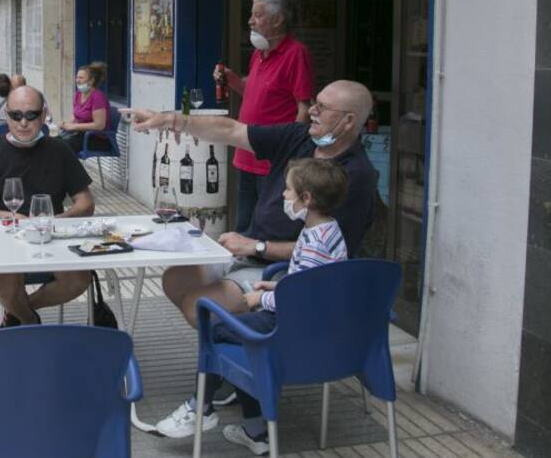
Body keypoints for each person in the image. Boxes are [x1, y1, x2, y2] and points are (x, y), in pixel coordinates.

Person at [122, 79, 377, 328]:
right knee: (174, 279)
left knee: (197, 306)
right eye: (314, 102)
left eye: (322, 107)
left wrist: (256, 247)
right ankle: (233, 337)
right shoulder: (300, 136)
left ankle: (254, 342)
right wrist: (168, 120)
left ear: (348, 120)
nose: (312, 110)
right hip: (251, 252)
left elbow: (328, 250)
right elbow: (232, 130)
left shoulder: (356, 175)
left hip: (285, 269)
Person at [154, 158, 349, 451]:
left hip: (292, 326)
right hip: (313, 322)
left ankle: (200, 408)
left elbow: (301, 298)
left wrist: (261, 298)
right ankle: (255, 432)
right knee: (242, 339)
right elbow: (312, 283)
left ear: (306, 198)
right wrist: (278, 286)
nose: (284, 195)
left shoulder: (313, 242)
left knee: (217, 331)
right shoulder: (328, 230)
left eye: (288, 190)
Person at [0, 86, 95, 326]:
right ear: (6, 115)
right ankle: (29, 321)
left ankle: (19, 313)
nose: (23, 123)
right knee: (7, 284)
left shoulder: (59, 150)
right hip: (2, 239)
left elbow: (86, 202)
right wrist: (1, 216)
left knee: (79, 280)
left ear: (43, 115)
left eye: (31, 115)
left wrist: (56, 221)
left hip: (49, 238)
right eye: (15, 115)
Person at [217, 0, 314, 233]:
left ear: (278, 20)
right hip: (247, 154)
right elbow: (252, 92)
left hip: (273, 161)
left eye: (257, 16)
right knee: (243, 225)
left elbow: (303, 108)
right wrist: (231, 79)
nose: (250, 21)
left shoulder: (295, 53)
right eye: (251, 15)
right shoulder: (258, 54)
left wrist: (292, 157)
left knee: (267, 228)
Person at [59, 61, 111, 155]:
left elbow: (99, 125)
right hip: (81, 134)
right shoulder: (78, 94)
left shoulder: (98, 97)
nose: (77, 80)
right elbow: (75, 116)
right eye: (77, 77)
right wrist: (66, 124)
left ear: (91, 81)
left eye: (81, 78)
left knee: (63, 147)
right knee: (53, 143)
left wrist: (75, 126)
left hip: (97, 139)